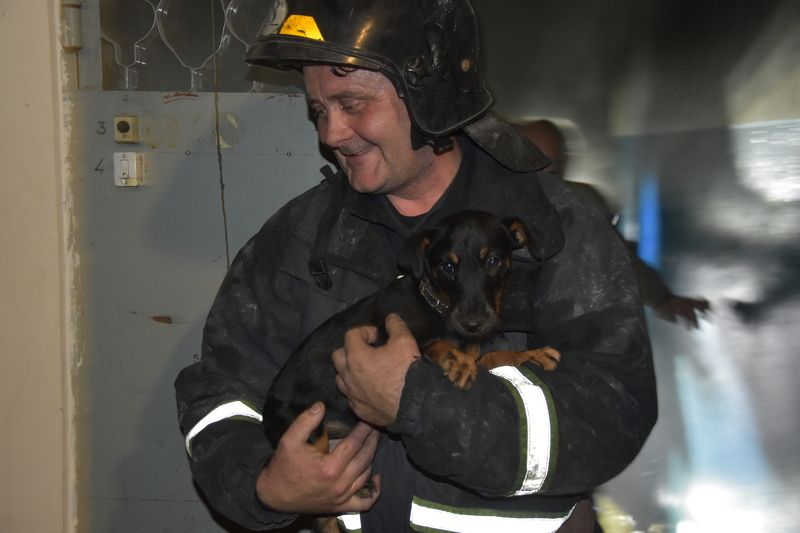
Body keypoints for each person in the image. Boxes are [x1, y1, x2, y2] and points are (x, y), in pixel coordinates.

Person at [175, 1, 657, 532]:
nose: (331, 133)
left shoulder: (552, 229)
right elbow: (220, 394)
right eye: (318, 111)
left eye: (351, 104)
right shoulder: (299, 238)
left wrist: (422, 404)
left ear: (432, 99)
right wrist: (265, 485)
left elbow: (614, 412)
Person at [514, 119, 711, 329]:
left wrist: (662, 298)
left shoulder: (583, 204)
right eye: (531, 170)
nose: (543, 183)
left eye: (552, 173)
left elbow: (619, 260)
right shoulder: (493, 209)